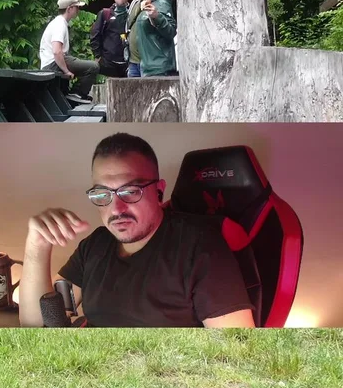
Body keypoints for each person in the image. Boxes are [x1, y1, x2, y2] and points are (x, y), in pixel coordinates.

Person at [17, 133, 254, 328]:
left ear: (159, 191)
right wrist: (37, 245)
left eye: (130, 192)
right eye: (102, 194)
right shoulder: (96, 245)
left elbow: (236, 350)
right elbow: (38, 324)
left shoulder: (201, 248)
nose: (116, 209)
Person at [39, 0, 99, 104]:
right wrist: (66, 71)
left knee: (83, 65)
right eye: (77, 7)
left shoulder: (59, 22)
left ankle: (74, 94)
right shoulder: (59, 24)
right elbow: (57, 51)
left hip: (52, 62)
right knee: (93, 67)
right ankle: (77, 93)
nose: (78, 10)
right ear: (69, 9)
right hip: (53, 63)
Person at [121, 0, 177, 77]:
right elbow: (124, 27)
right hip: (134, 64)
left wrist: (157, 17)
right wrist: (120, 6)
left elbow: (170, 32)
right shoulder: (137, 3)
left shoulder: (161, 4)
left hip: (154, 67)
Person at [88, 0, 130, 78]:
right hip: (108, 60)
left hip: (129, 61)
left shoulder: (132, 13)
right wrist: (98, 56)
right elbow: (95, 35)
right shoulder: (105, 13)